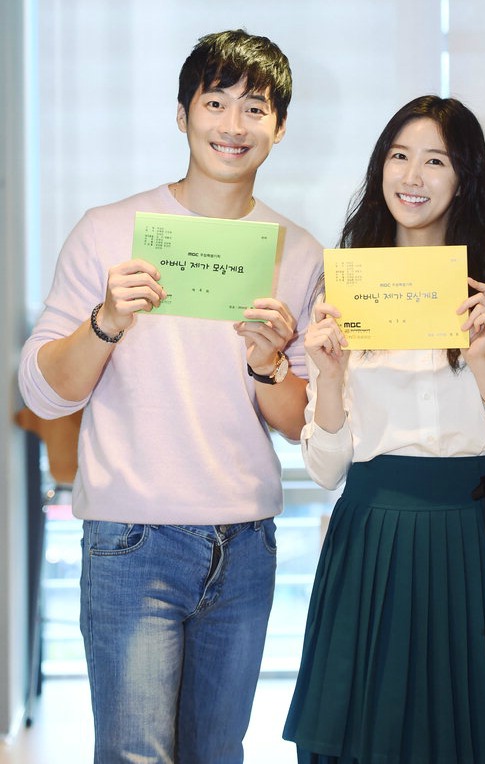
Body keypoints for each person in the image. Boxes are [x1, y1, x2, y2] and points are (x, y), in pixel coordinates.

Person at [19, 29, 323, 763]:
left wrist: (268, 364)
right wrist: (105, 321)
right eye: (214, 103)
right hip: (132, 540)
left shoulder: (299, 251)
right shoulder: (108, 231)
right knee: (134, 754)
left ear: (279, 128)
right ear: (182, 114)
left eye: (255, 109)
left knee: (219, 753)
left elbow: (306, 424)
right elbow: (43, 391)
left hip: (246, 542)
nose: (233, 125)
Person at [283, 95, 485, 763]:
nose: (412, 176)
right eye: (399, 156)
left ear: (465, 177)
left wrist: (484, 362)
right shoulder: (344, 289)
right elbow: (325, 469)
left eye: (435, 160)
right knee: (372, 737)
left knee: (480, 738)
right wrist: (328, 377)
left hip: (479, 536)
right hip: (374, 534)